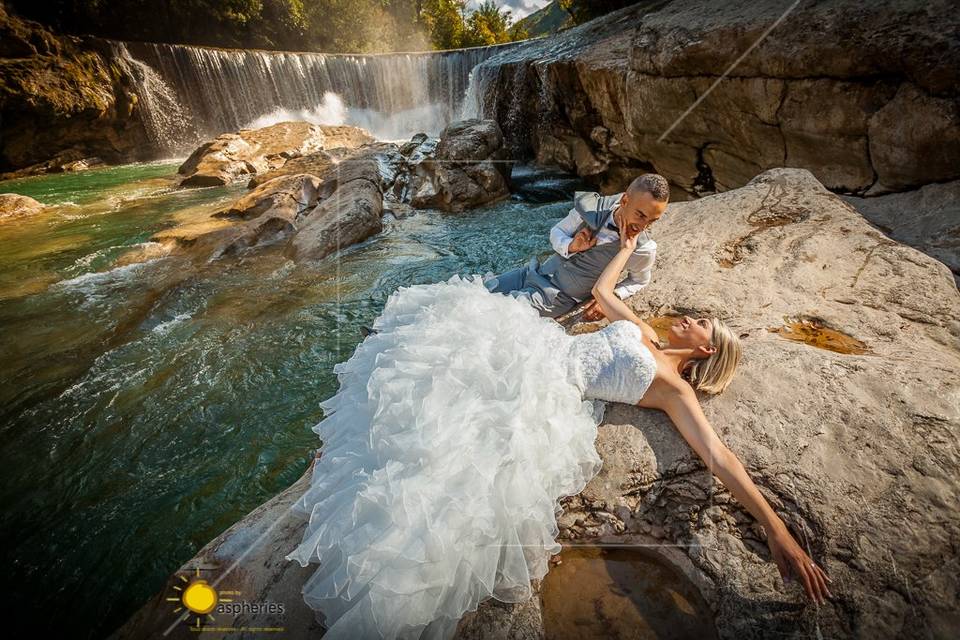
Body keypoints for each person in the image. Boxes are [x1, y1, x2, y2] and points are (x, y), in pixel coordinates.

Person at [285, 233, 832, 639]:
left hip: (551, 384)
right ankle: (349, 452)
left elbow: (718, 456)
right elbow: (602, 288)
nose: (690, 318)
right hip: (539, 346)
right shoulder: (643, 332)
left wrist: (777, 531)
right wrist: (628, 239)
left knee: (453, 444)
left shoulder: (674, 391)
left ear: (706, 351)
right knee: (435, 357)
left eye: (701, 324)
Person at [482, 173, 668, 320]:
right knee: (476, 293)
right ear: (625, 201)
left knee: (492, 314)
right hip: (532, 273)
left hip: (554, 297)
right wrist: (570, 246)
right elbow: (556, 232)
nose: (643, 226)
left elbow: (639, 280)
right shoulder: (592, 208)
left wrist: (614, 297)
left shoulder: (643, 249)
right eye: (641, 215)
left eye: (652, 221)